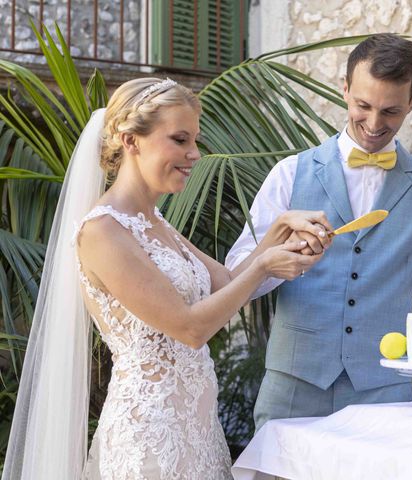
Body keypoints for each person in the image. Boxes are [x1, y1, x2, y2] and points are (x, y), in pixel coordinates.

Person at [2, 78, 330, 479]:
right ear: (130, 140)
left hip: (197, 432)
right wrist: (264, 267)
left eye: (194, 140)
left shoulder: (155, 222)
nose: (194, 154)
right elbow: (190, 328)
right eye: (179, 140)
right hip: (149, 438)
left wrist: (280, 229)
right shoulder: (103, 232)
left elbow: (226, 283)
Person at [226, 33, 412, 431]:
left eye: (390, 112)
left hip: (385, 393)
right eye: (362, 105)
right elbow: (235, 278)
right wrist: (276, 261)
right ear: (345, 89)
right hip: (292, 391)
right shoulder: (289, 174)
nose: (373, 124)